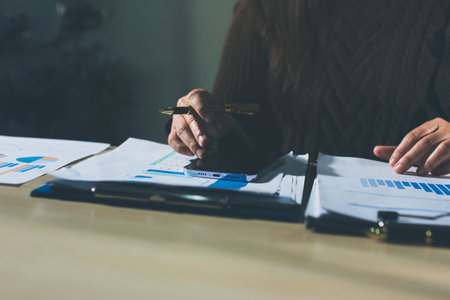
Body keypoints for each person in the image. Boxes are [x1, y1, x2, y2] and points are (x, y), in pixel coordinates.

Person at [167, 0, 450, 176]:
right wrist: (197, 122)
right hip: (283, 219)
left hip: (408, 216)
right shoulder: (265, 6)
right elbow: (228, 125)